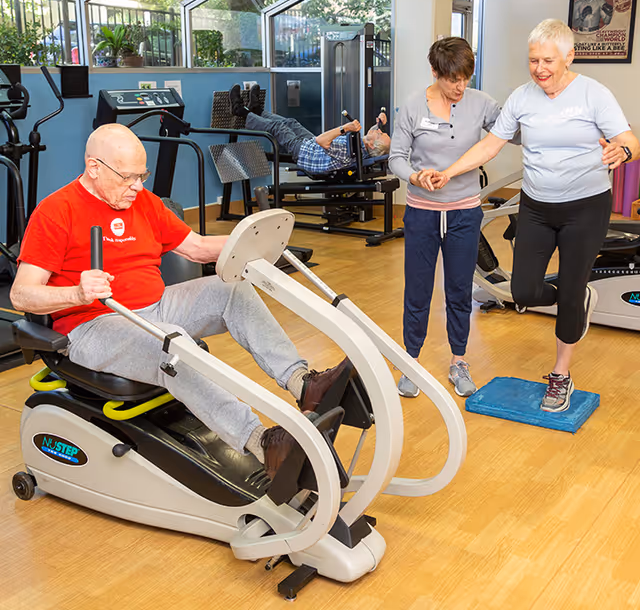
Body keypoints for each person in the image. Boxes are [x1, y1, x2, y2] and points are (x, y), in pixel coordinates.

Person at [10, 123, 351, 478]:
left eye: (142, 175)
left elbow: (198, 247)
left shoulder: (143, 201)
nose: (137, 186)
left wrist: (255, 237)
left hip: (156, 307)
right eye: (127, 177)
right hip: (93, 325)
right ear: (94, 167)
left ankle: (303, 383)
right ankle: (262, 443)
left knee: (229, 289)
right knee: (173, 343)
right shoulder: (56, 211)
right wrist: (78, 292)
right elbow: (22, 294)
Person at [434, 19, 639, 413]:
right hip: (537, 206)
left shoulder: (593, 94)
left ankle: (560, 374)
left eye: (548, 60)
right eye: (533, 60)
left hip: (586, 206)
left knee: (571, 289)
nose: (540, 68)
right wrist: (451, 171)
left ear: (569, 57)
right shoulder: (522, 98)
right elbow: (491, 145)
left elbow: (629, 139)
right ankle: (574, 301)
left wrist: (623, 152)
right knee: (524, 291)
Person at [388, 36, 504, 399]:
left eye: (465, 79)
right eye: (452, 79)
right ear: (436, 72)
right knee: (418, 292)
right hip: (422, 213)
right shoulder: (411, 106)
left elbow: (510, 133)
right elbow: (396, 158)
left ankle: (459, 361)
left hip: (464, 213)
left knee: (458, 290)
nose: (460, 87)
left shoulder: (482, 103)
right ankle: (411, 363)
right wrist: (415, 176)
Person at [229, 84, 390, 175]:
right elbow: (373, 132)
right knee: (291, 123)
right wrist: (381, 117)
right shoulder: (362, 146)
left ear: (370, 145)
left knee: (278, 127)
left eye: (380, 133)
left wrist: (344, 128)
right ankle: (257, 111)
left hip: (305, 152)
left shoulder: (351, 150)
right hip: (312, 146)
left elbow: (322, 140)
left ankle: (240, 111)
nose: (379, 130)